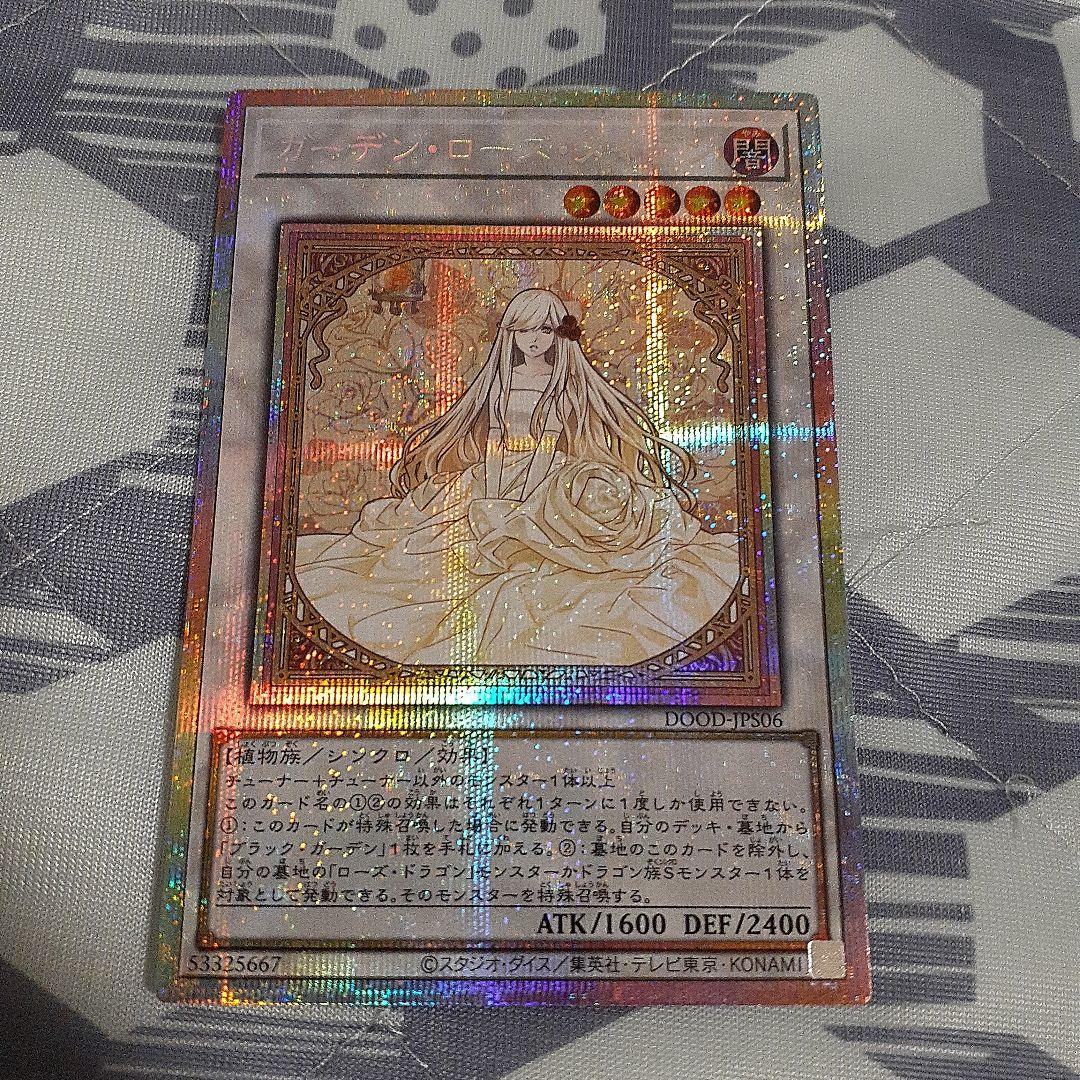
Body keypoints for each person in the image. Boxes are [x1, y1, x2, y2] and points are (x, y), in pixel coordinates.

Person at [294, 287, 740, 666]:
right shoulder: (500, 380)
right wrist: (491, 485)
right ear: (510, 334)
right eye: (524, 330)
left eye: (544, 330)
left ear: (558, 334)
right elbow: (492, 432)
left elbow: (553, 439)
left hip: (546, 474)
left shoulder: (565, 381)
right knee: (436, 542)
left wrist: (527, 496)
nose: (534, 339)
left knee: (539, 545)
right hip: (493, 471)